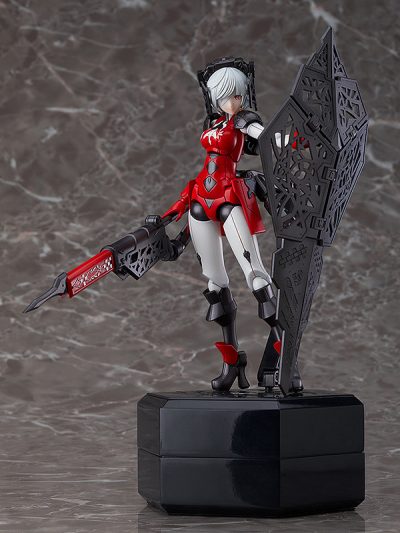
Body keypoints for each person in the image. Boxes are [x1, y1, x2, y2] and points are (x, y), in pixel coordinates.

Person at [162, 58, 281, 392]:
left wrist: (294, 140)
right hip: (201, 197)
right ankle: (232, 364)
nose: (234, 101)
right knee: (215, 285)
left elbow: (270, 139)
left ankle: (283, 356)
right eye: (227, 95)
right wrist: (172, 214)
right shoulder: (212, 121)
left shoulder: (244, 121)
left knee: (255, 274)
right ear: (215, 97)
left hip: (230, 197)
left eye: (238, 94)